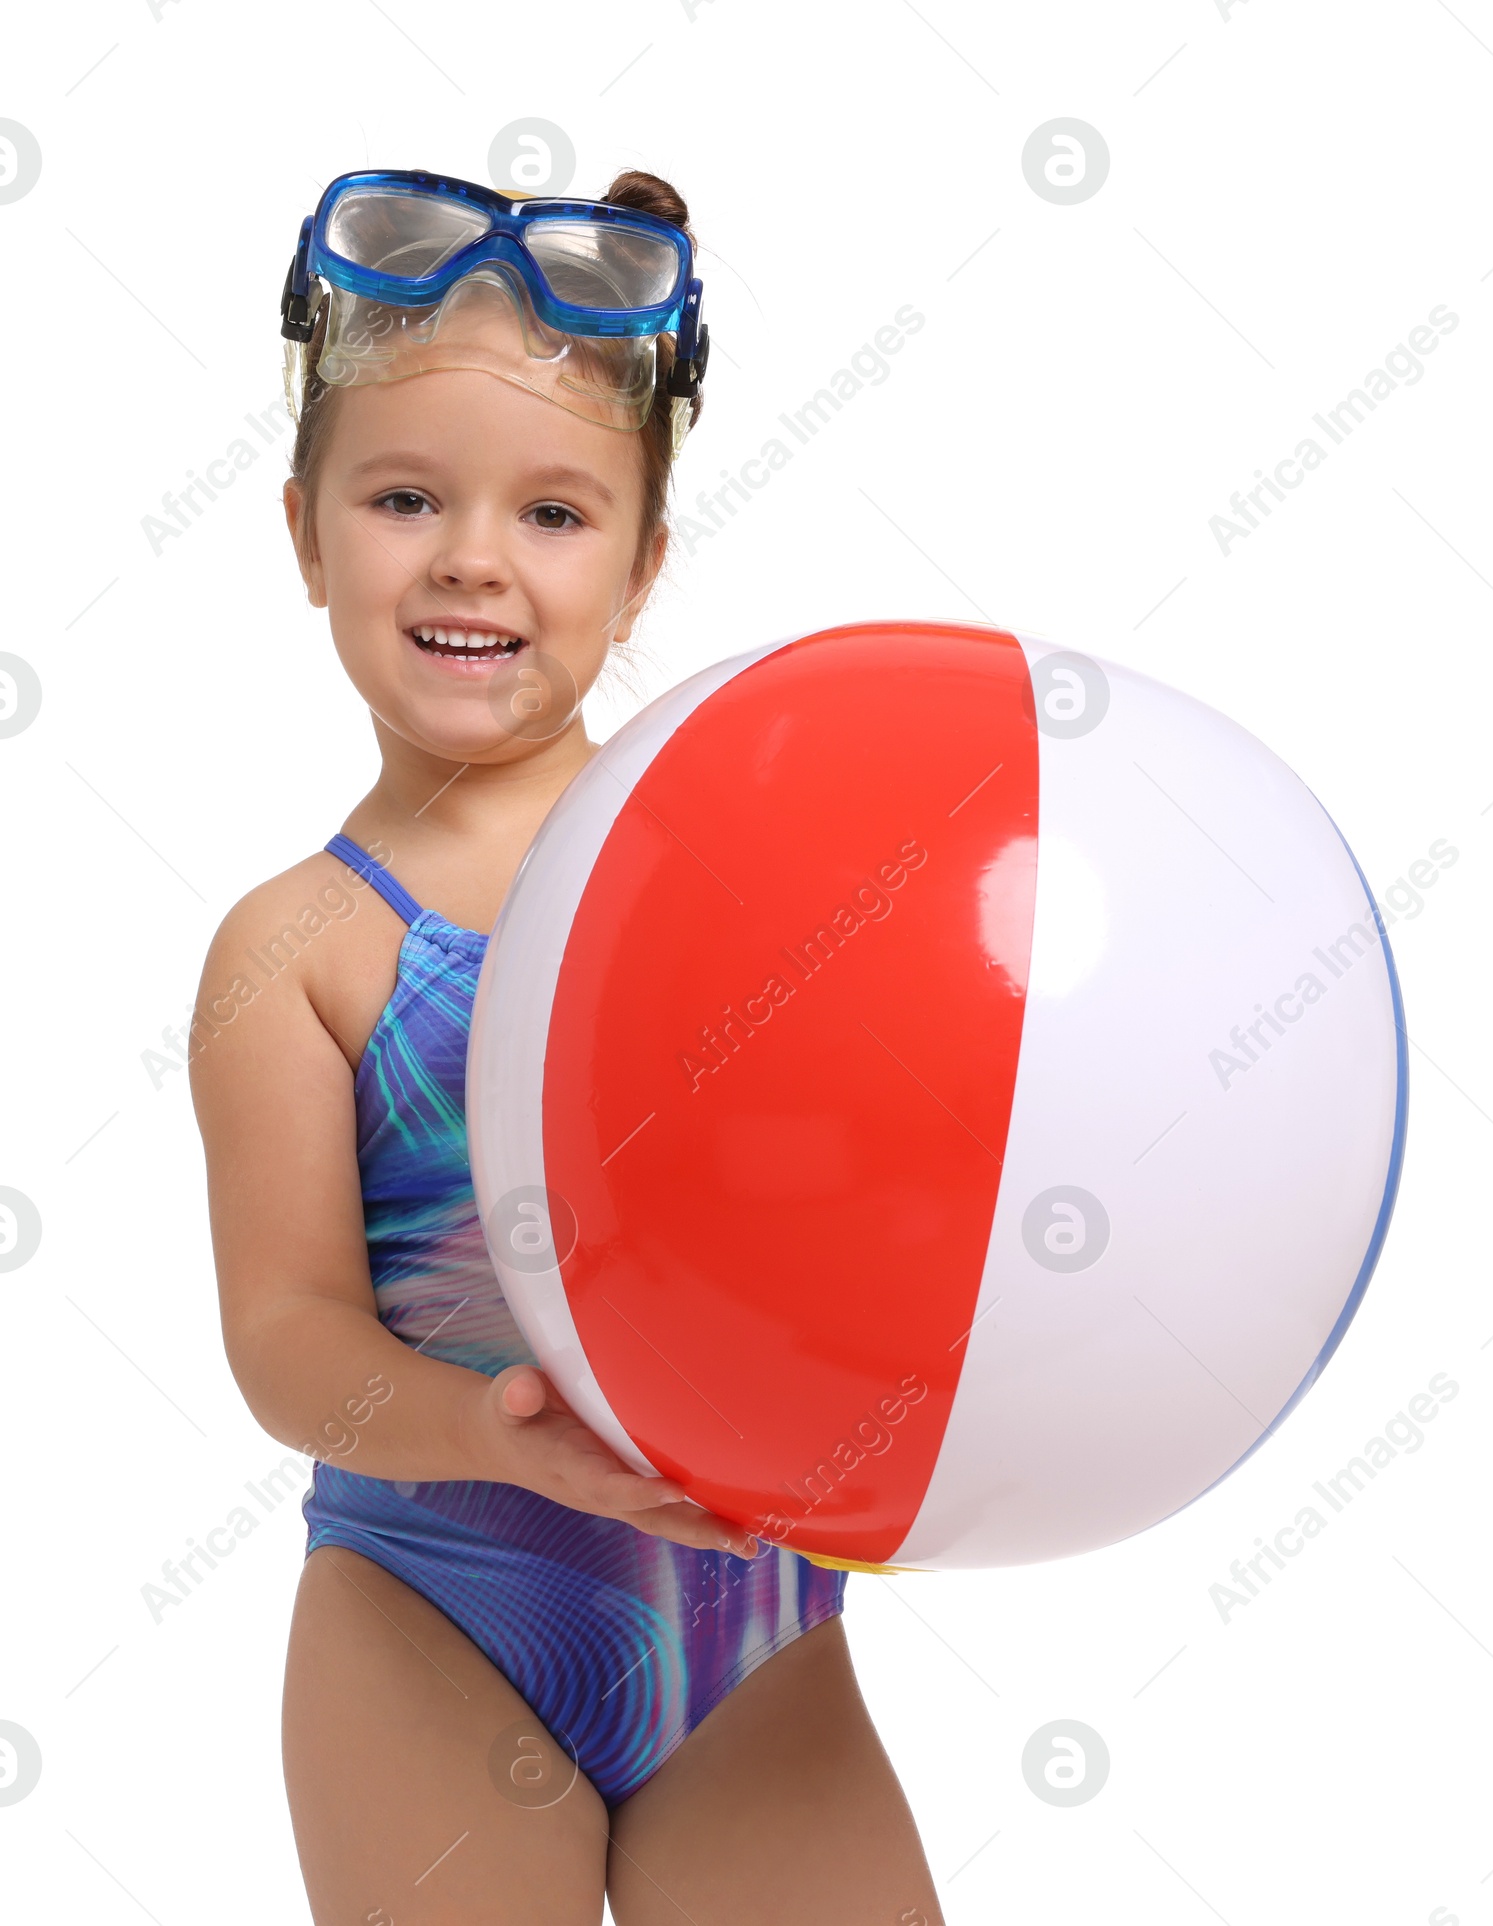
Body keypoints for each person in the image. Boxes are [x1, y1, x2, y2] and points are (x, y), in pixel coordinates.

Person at [189, 165, 945, 1925]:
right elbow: (287, 1338)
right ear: (305, 534)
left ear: (645, 560)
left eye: (553, 511)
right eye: (402, 496)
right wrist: (491, 1429)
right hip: (435, 1606)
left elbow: (891, 1174)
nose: (473, 556)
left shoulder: (750, 870)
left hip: (749, 1634)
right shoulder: (298, 952)